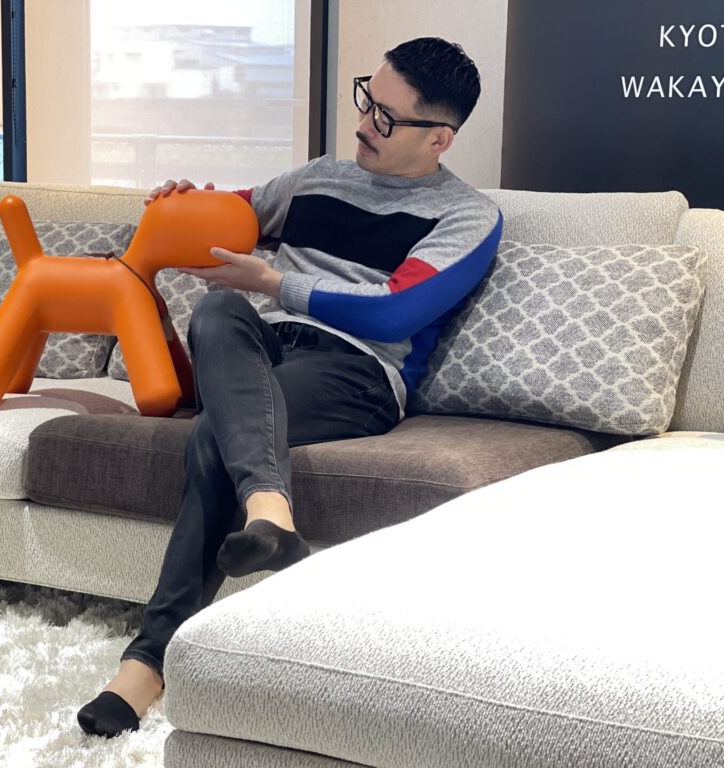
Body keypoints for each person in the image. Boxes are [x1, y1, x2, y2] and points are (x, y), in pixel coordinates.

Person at [78, 36, 504, 738]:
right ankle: (269, 511)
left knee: (218, 432)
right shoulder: (316, 179)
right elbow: (231, 215)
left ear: (440, 138)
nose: (364, 124)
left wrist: (277, 282)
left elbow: (395, 310)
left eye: (387, 118)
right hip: (263, 349)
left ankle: (148, 660)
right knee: (219, 308)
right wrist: (179, 206)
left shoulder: (466, 216)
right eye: (368, 100)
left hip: (355, 370)